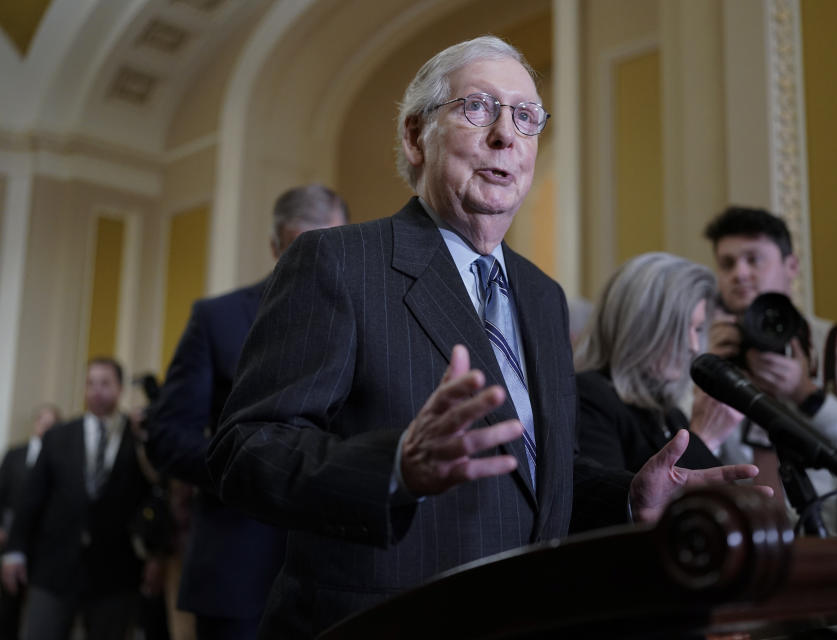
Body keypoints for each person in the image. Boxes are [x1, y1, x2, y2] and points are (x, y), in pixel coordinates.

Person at [206, 36, 765, 638]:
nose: (506, 135)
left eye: (526, 118)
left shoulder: (543, 296)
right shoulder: (339, 262)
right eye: (478, 107)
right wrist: (394, 467)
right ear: (416, 137)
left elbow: (534, 472)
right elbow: (247, 449)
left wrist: (630, 496)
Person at [146, 184, 348, 640]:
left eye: (327, 247)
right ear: (275, 247)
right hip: (236, 570)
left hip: (341, 573)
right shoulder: (217, 319)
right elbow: (167, 435)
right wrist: (253, 471)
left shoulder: (370, 319)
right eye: (299, 251)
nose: (313, 265)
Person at [704, 206, 837, 534]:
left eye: (753, 259)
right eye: (727, 264)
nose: (739, 274)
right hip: (740, 545)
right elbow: (676, 461)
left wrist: (809, 397)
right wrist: (706, 375)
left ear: (791, 265)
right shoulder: (704, 350)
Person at [1, 358, 152, 640]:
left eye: (105, 383)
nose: (96, 390)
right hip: (53, 569)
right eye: (90, 383)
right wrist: (14, 551)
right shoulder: (58, 436)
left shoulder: (138, 438)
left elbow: (151, 493)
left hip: (114, 574)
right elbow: (32, 498)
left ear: (119, 388)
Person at [575, 253, 743, 473]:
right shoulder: (588, 397)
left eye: (698, 329)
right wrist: (705, 439)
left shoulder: (670, 414)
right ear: (640, 327)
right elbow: (620, 503)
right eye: (680, 328)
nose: (693, 346)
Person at [0, 404, 60, 637]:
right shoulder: (15, 454)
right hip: (12, 537)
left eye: (50, 422)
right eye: (41, 420)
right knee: (8, 602)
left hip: (45, 543)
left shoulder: (61, 458)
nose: (44, 425)